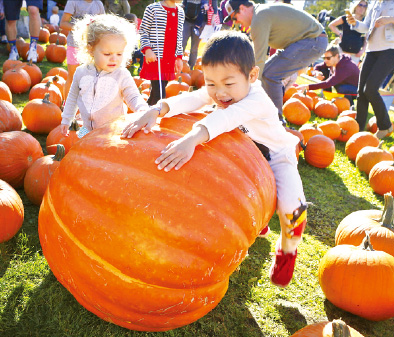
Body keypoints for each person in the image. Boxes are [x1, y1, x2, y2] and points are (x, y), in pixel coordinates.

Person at [122, 31, 308, 288]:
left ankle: (288, 250)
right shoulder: (218, 89)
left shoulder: (258, 100)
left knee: (292, 208)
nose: (219, 92)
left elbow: (225, 119)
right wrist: (157, 108)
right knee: (239, 197)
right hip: (243, 155)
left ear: (252, 76)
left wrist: (191, 138)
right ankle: (259, 219)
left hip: (276, 156)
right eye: (211, 83)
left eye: (228, 84)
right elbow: (193, 98)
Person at [223, 0, 328, 122]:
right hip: (306, 41)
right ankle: (267, 114)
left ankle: (276, 122)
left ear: (242, 8)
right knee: (268, 73)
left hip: (313, 41)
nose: (236, 22)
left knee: (271, 75)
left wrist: (247, 90)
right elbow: (256, 59)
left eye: (235, 17)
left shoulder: (259, 17)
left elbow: (259, 60)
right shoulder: (260, 14)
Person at [59, 14, 150, 139]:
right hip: (86, 129)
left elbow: (133, 96)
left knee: (106, 157)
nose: (114, 59)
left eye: (119, 54)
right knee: (84, 153)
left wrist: (142, 109)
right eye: (107, 54)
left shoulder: (122, 74)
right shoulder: (81, 72)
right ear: (91, 49)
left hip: (112, 132)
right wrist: (66, 119)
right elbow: (72, 97)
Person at [346, 0, 394, 139]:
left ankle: (385, 125)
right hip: (371, 49)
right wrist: (355, 23)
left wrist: (393, 20)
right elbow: (368, 26)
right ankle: (357, 132)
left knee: (370, 89)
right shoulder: (376, 1)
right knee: (361, 92)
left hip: (392, 48)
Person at [139, 0, 184, 106]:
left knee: (156, 94)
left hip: (169, 60)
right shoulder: (153, 9)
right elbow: (143, 31)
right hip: (156, 58)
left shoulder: (180, 11)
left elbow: (179, 36)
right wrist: (147, 49)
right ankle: (154, 118)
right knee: (160, 97)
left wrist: (179, 57)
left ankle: (144, 111)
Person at [60, 0, 105, 100]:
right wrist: (82, 27)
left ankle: (88, 103)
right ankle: (67, 105)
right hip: (74, 44)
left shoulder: (98, 4)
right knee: (73, 75)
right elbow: (63, 23)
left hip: (92, 47)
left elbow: (102, 25)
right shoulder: (73, 2)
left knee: (92, 76)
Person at [182, 0, 209, 69]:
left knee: (194, 47)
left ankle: (191, 68)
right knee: (182, 43)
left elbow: (206, 6)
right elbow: (183, 4)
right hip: (187, 21)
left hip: (198, 24)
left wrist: (205, 5)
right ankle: (178, 65)